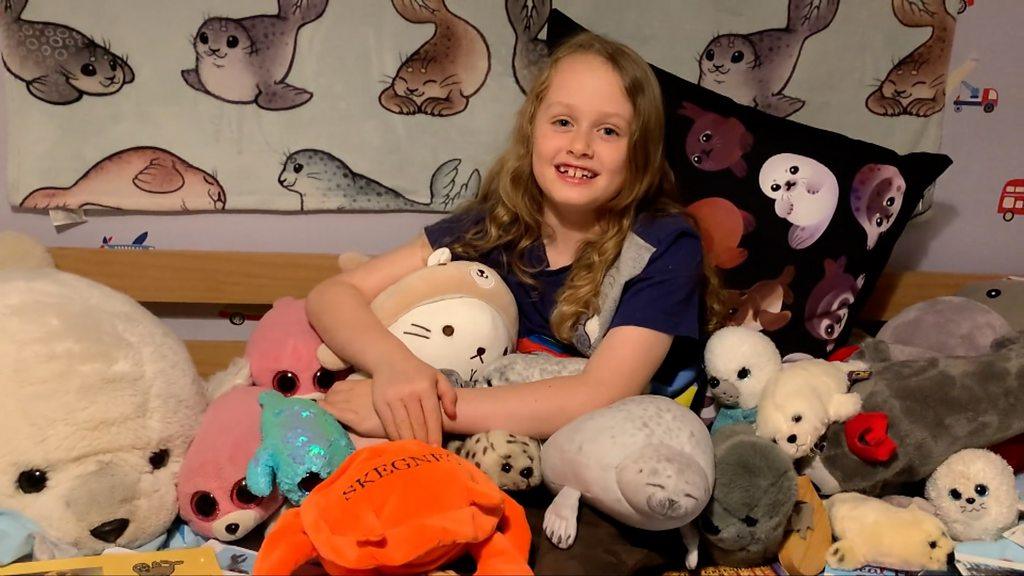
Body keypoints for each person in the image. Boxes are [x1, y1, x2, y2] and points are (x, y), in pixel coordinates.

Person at [307, 31, 723, 448]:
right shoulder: (494, 224)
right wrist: (397, 370)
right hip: (494, 445)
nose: (580, 146)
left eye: (609, 131)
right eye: (563, 122)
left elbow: (602, 394)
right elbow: (336, 293)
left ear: (642, 151)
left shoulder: (664, 244)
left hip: (622, 456)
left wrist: (420, 411)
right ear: (531, 131)